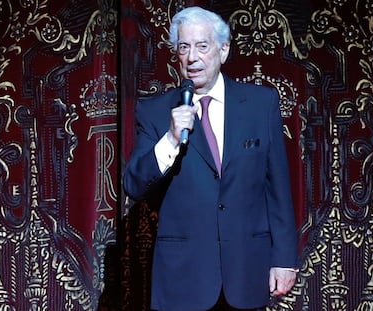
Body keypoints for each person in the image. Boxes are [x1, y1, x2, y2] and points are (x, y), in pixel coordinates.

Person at [123, 6, 299, 311]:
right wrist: (171, 138)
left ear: (223, 50)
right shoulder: (154, 112)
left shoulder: (260, 104)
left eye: (202, 46)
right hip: (183, 278)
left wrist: (284, 260)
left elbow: (278, 189)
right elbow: (134, 184)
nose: (192, 57)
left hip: (246, 271)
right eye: (184, 47)